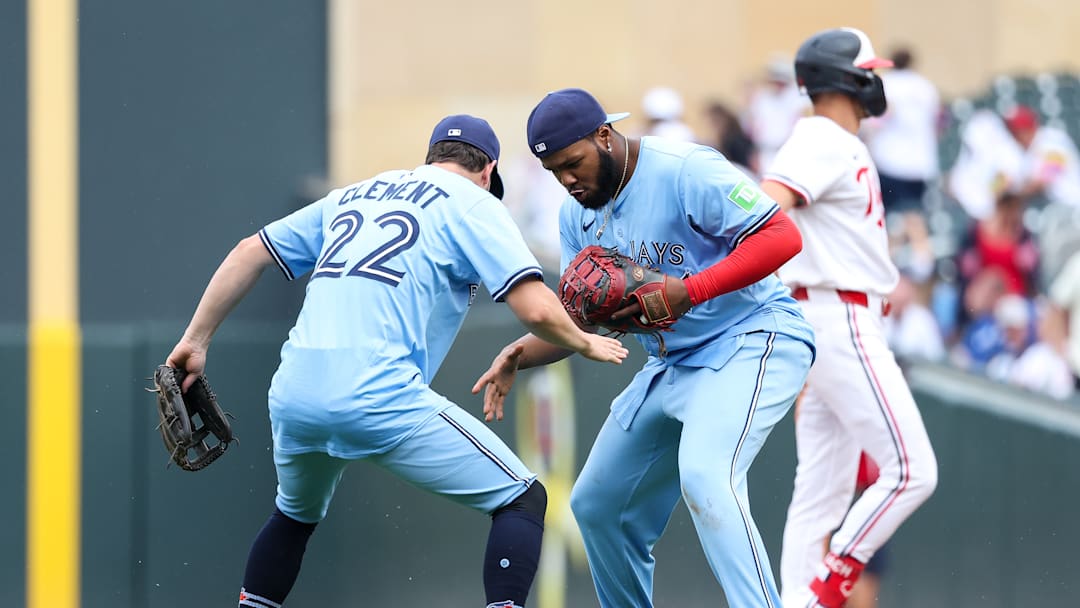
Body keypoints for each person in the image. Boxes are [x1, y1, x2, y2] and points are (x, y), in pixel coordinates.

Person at [163, 114, 630, 608]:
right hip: (378, 394)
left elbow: (248, 251)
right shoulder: (473, 203)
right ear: (489, 170)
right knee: (521, 498)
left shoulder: (353, 193)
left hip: (294, 392)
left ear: (431, 158)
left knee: (294, 516)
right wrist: (584, 341)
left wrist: (196, 341)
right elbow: (535, 308)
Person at [473, 87, 816, 607]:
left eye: (573, 163)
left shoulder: (684, 169)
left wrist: (690, 289)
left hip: (752, 335)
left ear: (604, 135)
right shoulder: (576, 215)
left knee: (707, 475)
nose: (567, 180)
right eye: (554, 172)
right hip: (673, 361)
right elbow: (578, 316)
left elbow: (782, 235)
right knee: (597, 505)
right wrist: (520, 351)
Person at [759, 28, 939, 608]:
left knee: (822, 492)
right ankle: (825, 593)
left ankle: (796, 602)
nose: (876, 79)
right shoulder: (822, 138)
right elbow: (764, 209)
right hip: (839, 316)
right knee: (913, 471)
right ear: (851, 77)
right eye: (870, 69)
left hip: (827, 318)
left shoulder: (830, 140)